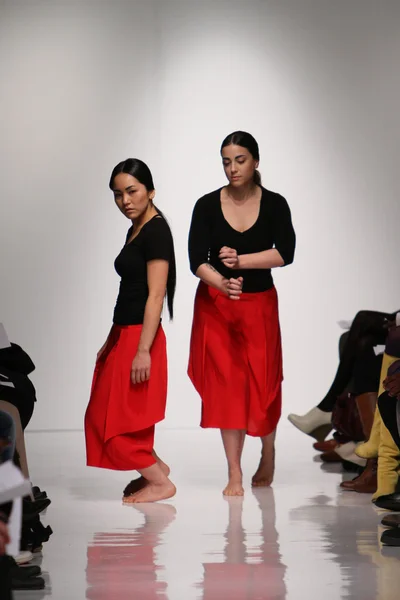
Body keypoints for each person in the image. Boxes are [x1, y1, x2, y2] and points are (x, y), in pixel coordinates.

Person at [188, 131, 296, 496]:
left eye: (240, 160)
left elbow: (286, 252)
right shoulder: (206, 205)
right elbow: (195, 260)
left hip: (259, 305)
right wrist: (222, 283)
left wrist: (241, 263)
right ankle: (233, 471)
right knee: (227, 390)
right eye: (226, 161)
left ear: (256, 162)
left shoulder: (276, 204)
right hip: (217, 308)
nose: (232, 168)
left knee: (264, 386)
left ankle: (267, 451)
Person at [85, 158, 176, 504]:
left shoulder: (156, 232)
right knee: (108, 415)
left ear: (151, 191)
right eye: (118, 194)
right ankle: (156, 470)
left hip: (141, 337)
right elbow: (128, 293)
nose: (125, 200)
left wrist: (142, 349)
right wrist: (111, 338)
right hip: (124, 334)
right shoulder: (136, 228)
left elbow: (155, 295)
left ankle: (159, 481)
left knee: (114, 422)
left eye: (132, 191)